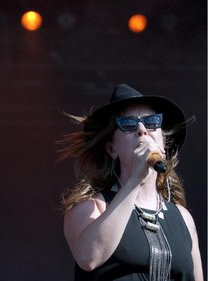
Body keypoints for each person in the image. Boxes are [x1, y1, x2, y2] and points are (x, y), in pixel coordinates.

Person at [58, 84, 204, 281]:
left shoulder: (183, 218)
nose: (142, 130)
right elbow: (88, 257)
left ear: (164, 143)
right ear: (112, 149)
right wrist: (135, 179)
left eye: (152, 122)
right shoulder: (91, 208)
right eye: (128, 124)